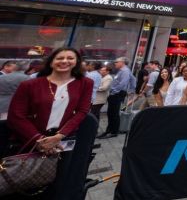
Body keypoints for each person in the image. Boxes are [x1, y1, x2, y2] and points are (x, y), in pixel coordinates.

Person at [6, 47, 94, 199]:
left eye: (70, 58)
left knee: (58, 183)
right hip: (30, 141)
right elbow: (16, 116)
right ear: (51, 62)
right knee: (24, 183)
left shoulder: (85, 83)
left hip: (62, 142)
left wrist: (59, 136)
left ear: (77, 62)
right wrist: (38, 139)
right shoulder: (30, 85)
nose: (65, 61)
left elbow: (82, 111)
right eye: (60, 58)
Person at [98, 57, 134, 139]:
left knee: (113, 113)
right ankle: (109, 130)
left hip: (117, 94)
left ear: (122, 62)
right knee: (111, 113)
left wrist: (114, 91)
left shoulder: (125, 71)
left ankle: (113, 132)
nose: (115, 63)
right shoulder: (123, 70)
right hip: (117, 93)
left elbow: (123, 83)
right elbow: (133, 79)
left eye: (116, 62)